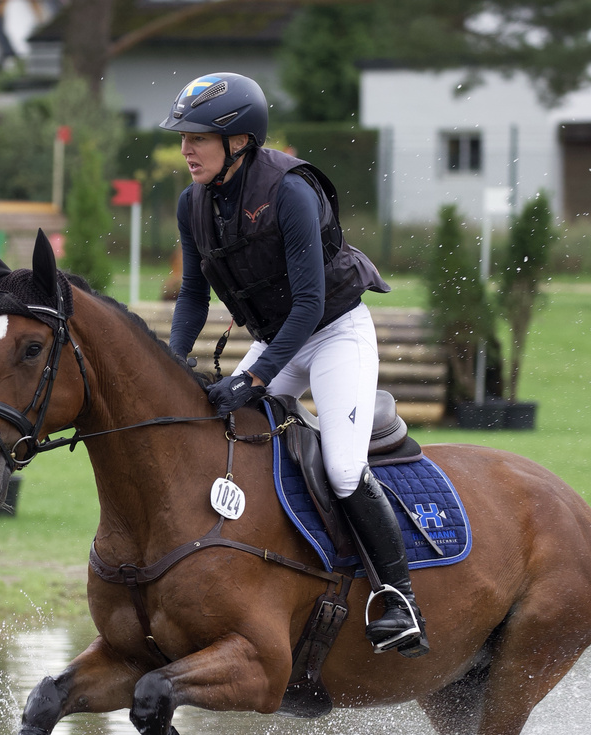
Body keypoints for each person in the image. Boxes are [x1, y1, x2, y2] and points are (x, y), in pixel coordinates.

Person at [161, 72, 428, 658]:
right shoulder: (193, 204)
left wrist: (253, 378)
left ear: (238, 141)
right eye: (183, 137)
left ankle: (400, 598)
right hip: (280, 337)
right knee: (216, 429)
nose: (186, 149)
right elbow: (191, 298)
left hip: (334, 333)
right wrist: (172, 364)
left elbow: (310, 304)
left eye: (198, 137)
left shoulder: (290, 192)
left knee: (340, 466)